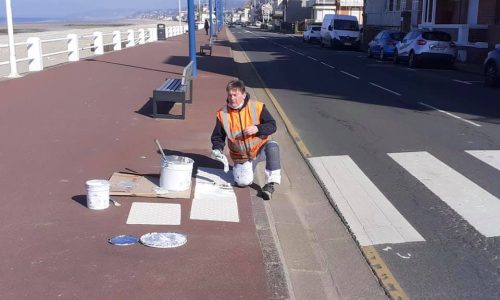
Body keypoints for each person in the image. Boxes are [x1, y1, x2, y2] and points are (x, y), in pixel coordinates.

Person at [211, 80, 281, 200]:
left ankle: (270, 184)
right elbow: (218, 136)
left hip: (260, 149)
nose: (232, 98)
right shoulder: (222, 114)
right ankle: (243, 170)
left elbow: (272, 126)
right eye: (230, 95)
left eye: (235, 95)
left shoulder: (257, 106)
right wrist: (217, 149)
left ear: (243, 95)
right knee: (243, 183)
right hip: (241, 156)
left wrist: (257, 128)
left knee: (273, 147)